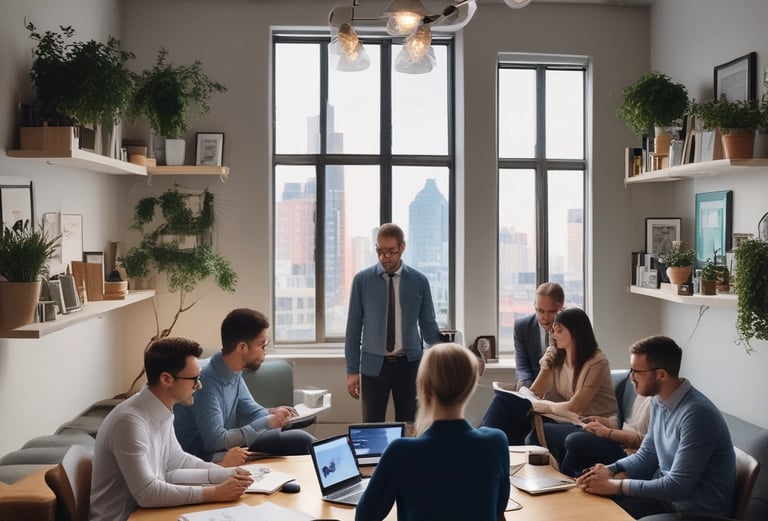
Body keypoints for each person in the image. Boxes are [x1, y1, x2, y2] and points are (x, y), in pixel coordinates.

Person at [90, 337, 254, 521]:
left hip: (149, 513)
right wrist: (214, 492)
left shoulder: (161, 408)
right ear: (166, 379)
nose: (199, 386)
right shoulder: (129, 422)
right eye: (194, 379)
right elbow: (147, 493)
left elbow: (177, 461)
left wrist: (225, 474)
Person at [576, 335, 736, 519]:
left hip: (692, 511)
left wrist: (614, 485)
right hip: (663, 501)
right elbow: (647, 454)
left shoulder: (697, 415)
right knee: (591, 506)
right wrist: (609, 470)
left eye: (637, 372)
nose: (632, 378)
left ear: (661, 374)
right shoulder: (659, 401)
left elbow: (676, 487)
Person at [355, 343, 510, 521]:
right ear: (470, 386)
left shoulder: (401, 452)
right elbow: (498, 508)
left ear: (423, 387)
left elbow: (364, 516)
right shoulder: (496, 442)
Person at [174, 308, 315, 463]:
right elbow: (214, 441)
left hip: (225, 448)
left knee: (301, 441)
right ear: (242, 347)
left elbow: (250, 410)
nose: (265, 352)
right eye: (262, 345)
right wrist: (268, 421)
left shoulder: (233, 371)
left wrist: (276, 415)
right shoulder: (206, 381)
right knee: (299, 442)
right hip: (203, 458)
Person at [481, 307, 618, 462]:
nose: (553, 335)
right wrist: (547, 365)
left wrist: (547, 406)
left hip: (591, 421)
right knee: (505, 402)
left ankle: (485, 451)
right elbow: (536, 391)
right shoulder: (559, 357)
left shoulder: (597, 362)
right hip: (565, 416)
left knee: (531, 427)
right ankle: (484, 450)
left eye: (559, 331)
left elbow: (576, 407)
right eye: (553, 331)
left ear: (575, 333)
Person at [345, 223, 445, 423]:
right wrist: (352, 370)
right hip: (373, 366)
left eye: (391, 252)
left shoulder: (419, 281)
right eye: (379, 251)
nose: (384, 258)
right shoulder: (362, 281)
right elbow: (353, 329)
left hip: (409, 365)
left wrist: (444, 359)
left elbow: (428, 326)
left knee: (412, 425)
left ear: (402, 247)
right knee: (372, 427)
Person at [559, 378, 652, 477]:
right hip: (619, 438)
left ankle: (565, 482)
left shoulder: (656, 402)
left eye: (637, 371)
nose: (632, 376)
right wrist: (603, 421)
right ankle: (564, 483)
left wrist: (608, 432)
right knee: (567, 439)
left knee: (575, 440)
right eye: (632, 370)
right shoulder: (633, 385)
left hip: (630, 452)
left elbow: (644, 442)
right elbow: (621, 421)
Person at [514, 282, 565, 389]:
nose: (544, 317)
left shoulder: (571, 328)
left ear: (562, 307)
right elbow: (523, 366)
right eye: (540, 311)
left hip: (563, 388)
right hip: (533, 386)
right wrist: (526, 390)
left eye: (551, 312)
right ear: (534, 305)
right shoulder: (522, 326)